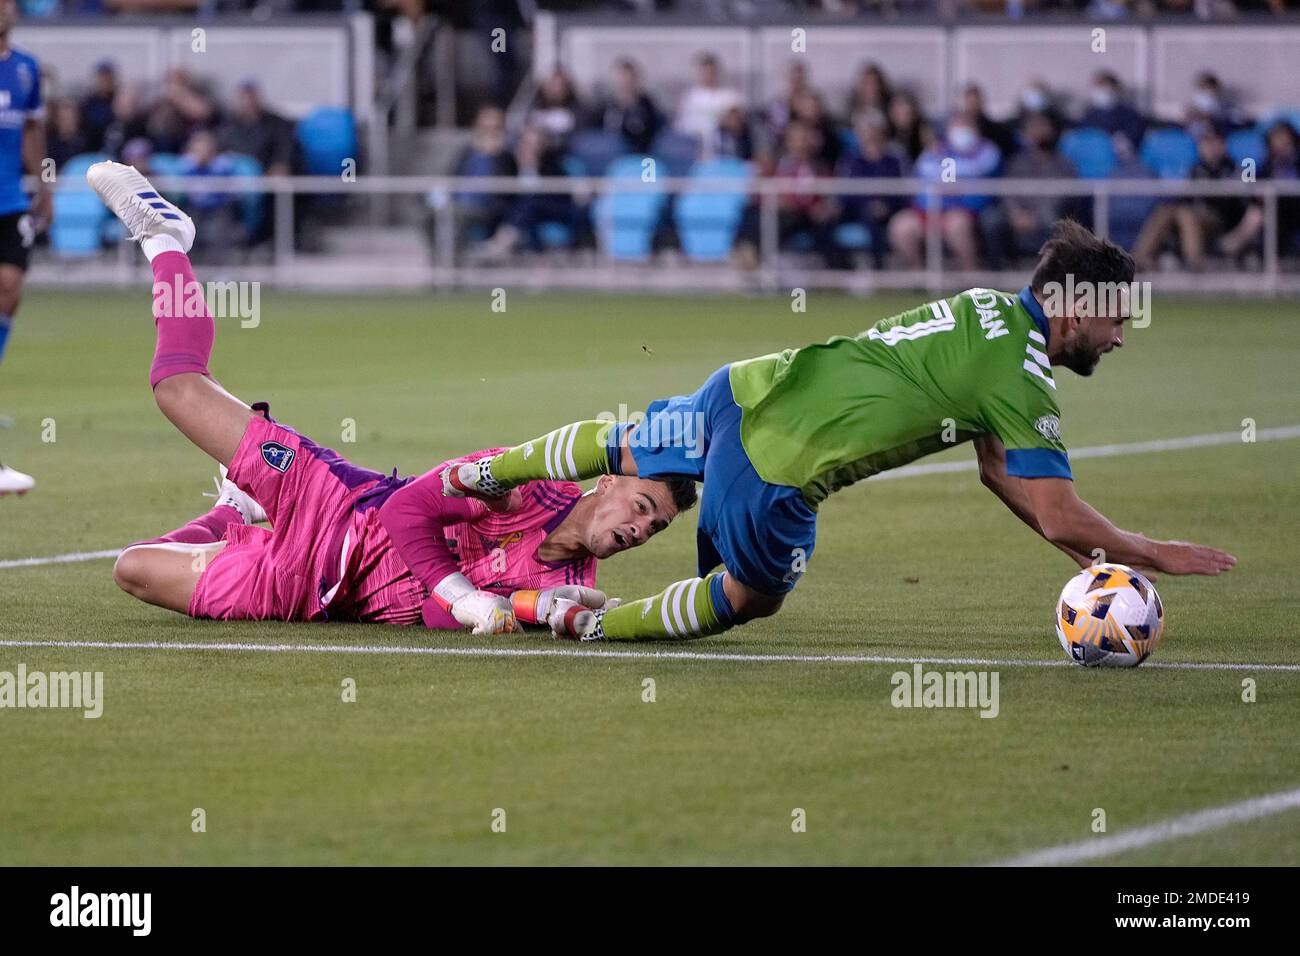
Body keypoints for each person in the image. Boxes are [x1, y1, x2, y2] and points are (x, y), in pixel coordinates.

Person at [444, 221, 1236, 643]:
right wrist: (1155, 553)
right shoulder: (1020, 373)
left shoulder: (984, 309)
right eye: (1116, 321)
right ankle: (585, 621)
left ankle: (490, 472)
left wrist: (1093, 566)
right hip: (780, 472)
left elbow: (1000, 474)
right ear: (1075, 307)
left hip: (747, 387)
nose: (1121, 339)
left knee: (627, 446)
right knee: (750, 598)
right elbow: (1057, 507)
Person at [87, 161, 693, 633]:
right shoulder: (528, 486)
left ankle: (233, 513)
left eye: (656, 528)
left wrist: (532, 609)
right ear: (608, 482)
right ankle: (165, 239)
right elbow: (406, 512)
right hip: (336, 506)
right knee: (177, 389)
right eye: (642, 506)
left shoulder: (572, 582)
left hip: (308, 593)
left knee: (132, 571)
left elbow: (431, 619)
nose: (641, 530)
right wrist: (467, 596)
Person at [0, 0, 49, 497]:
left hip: (11, 201)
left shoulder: (26, 69)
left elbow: (33, 129)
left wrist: (44, 185)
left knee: (10, 288)